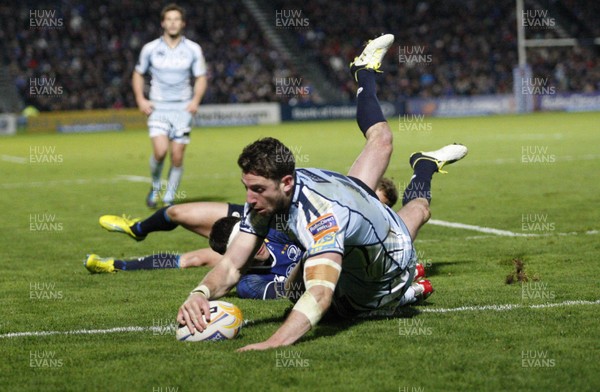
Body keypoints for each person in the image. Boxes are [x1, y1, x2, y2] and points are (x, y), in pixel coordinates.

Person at [176, 34, 468, 350]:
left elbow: (320, 294)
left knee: (398, 171)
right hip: (362, 214)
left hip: (385, 259)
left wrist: (272, 343)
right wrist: (199, 293)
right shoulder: (267, 199)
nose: (249, 198)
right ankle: (417, 155)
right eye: (247, 188)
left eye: (258, 189)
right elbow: (232, 265)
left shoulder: (320, 217)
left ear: (286, 182)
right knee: (401, 174)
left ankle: (374, 87)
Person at [132, 3, 207, 208]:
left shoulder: (193, 49)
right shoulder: (150, 49)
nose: (173, 23)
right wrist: (140, 99)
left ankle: (169, 197)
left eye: (177, 19)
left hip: (183, 108)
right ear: (163, 23)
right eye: (169, 19)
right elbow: (138, 73)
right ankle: (155, 187)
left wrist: (195, 101)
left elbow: (201, 77)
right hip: (158, 108)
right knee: (160, 151)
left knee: (177, 155)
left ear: (182, 23)